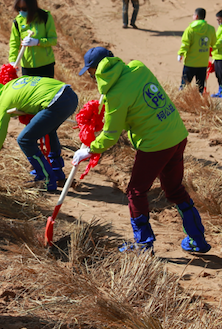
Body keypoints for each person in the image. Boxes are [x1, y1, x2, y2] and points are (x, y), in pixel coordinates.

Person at [73, 47, 211, 254]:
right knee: (174, 189)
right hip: (176, 134)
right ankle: (198, 239)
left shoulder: (114, 94)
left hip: (155, 144)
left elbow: (111, 135)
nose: (92, 77)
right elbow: (137, 105)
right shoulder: (138, 67)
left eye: (91, 73)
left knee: (136, 191)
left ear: (96, 70)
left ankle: (143, 244)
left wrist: (90, 149)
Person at [0, 77, 78, 192]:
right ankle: (57, 173)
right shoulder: (10, 86)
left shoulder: (1, 102)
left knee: (25, 140)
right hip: (70, 95)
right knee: (49, 130)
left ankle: (45, 179)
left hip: (55, 102)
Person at [8, 0, 58, 78]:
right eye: (19, 9)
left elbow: (53, 40)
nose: (21, 11)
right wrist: (12, 61)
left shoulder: (45, 17)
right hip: (28, 67)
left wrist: (37, 42)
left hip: (45, 65)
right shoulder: (17, 21)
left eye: (24, 9)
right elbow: (14, 43)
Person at [178, 8, 216, 94]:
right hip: (203, 63)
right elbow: (214, 44)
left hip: (190, 63)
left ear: (196, 16)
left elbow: (185, 44)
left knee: (184, 85)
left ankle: (180, 100)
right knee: (200, 87)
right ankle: (200, 102)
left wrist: (180, 53)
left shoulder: (190, 29)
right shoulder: (211, 29)